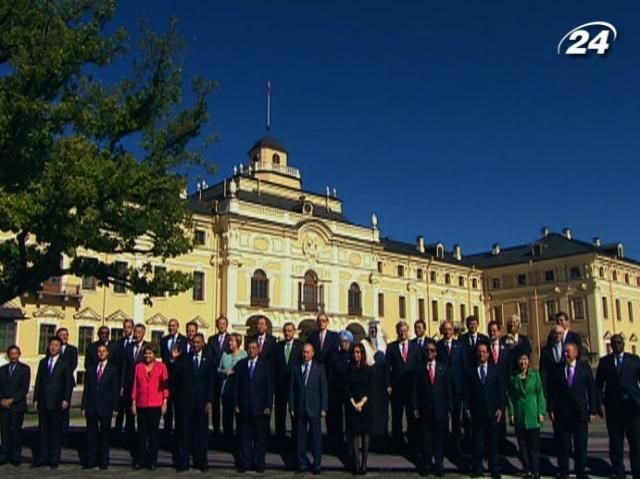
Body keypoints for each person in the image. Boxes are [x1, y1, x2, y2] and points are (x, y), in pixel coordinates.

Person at [546, 342, 597, 479]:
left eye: (568, 351)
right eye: (564, 352)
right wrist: (550, 408)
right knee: (563, 446)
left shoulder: (584, 369)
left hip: (580, 414)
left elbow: (591, 390)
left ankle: (581, 472)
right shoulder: (557, 369)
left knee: (581, 446)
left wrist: (593, 410)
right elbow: (551, 391)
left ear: (575, 353)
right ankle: (564, 472)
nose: (565, 354)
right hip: (562, 414)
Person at [595, 334, 640, 479]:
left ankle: (637, 472)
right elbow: (598, 386)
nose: (616, 345)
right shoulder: (605, 362)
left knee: (636, 443)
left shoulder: (634, 360)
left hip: (632, 408)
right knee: (615, 444)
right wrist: (600, 404)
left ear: (624, 344)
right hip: (614, 409)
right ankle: (619, 472)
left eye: (619, 342)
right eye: (614, 343)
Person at [170, 334, 212, 472]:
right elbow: (175, 375)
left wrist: (210, 401)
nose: (195, 344)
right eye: (193, 342)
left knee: (202, 435)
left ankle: (201, 462)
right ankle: (183, 462)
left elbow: (211, 384)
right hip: (186, 403)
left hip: (202, 403)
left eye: (198, 342)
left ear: (203, 344)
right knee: (185, 434)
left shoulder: (208, 360)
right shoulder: (184, 358)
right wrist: (174, 359)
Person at [464, 342, 505, 478]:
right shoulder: (471, 371)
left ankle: (494, 467)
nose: (481, 354)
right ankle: (478, 467)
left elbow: (501, 391)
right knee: (478, 442)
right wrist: (468, 408)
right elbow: (467, 393)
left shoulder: (495, 370)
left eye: (484, 351)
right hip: (477, 412)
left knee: (493, 442)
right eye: (479, 352)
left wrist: (500, 408)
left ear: (488, 354)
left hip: (492, 411)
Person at [33, 336, 73, 469]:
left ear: (60, 348)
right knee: (43, 431)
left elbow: (68, 383)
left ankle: (54, 458)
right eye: (51, 345)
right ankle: (42, 457)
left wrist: (66, 399)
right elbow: (39, 382)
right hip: (43, 401)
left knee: (55, 432)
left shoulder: (64, 364)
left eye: (56, 345)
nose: (53, 347)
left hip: (57, 402)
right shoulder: (43, 362)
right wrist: (36, 399)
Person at [413, 340, 451, 477]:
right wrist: (415, 407)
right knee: (426, 439)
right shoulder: (419, 369)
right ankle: (427, 464)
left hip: (440, 409)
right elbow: (415, 390)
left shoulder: (443, 368)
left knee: (439, 440)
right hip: (425, 409)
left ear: (436, 352)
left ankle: (439, 465)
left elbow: (448, 390)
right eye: (427, 350)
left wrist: (449, 408)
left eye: (432, 350)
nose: (429, 353)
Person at [234, 339, 273, 473]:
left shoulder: (265, 365)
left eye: (254, 348)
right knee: (244, 437)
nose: (251, 350)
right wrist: (236, 403)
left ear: (258, 350)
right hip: (244, 406)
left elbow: (269, 387)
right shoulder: (241, 365)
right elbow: (236, 386)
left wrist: (269, 405)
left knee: (259, 438)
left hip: (260, 407)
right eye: (249, 348)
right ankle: (245, 463)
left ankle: (259, 463)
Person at [290, 342, 328, 474]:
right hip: (300, 407)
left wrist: (324, 407)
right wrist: (292, 406)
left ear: (313, 353)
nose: (305, 355)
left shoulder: (319, 368)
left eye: (307, 352)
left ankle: (316, 463)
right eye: (303, 352)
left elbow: (324, 389)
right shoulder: (296, 368)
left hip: (315, 408)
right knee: (300, 438)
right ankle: (301, 463)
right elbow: (292, 390)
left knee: (316, 438)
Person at [81, 343, 120, 470]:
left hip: (106, 407)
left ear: (107, 353)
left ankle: (104, 461)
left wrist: (115, 407)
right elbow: (86, 389)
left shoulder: (113, 369)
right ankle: (91, 460)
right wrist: (83, 406)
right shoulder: (91, 369)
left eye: (103, 351)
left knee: (105, 436)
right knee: (91, 435)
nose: (101, 353)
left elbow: (115, 390)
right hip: (92, 406)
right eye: (99, 351)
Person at [507, 353, 546, 479]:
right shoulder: (513, 378)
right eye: (520, 359)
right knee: (522, 446)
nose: (523, 362)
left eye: (525, 359)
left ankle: (536, 471)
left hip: (533, 413)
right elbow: (511, 397)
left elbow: (540, 394)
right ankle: (527, 470)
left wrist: (541, 412)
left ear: (528, 361)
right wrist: (511, 413)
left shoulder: (535, 375)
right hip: (520, 414)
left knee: (534, 446)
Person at [131, 344, 169, 470]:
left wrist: (165, 402)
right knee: (141, 433)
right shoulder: (138, 367)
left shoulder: (161, 367)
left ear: (155, 354)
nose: (148, 356)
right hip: (141, 404)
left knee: (153, 434)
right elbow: (135, 386)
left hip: (155, 404)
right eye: (146, 353)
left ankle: (152, 460)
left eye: (150, 353)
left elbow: (165, 387)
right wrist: (133, 403)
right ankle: (139, 460)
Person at [385, 320, 420, 451]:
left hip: (411, 388)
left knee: (412, 417)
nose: (403, 333)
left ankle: (412, 444)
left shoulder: (415, 347)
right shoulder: (391, 347)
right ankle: (397, 443)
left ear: (408, 331)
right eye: (400, 330)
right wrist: (388, 384)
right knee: (397, 417)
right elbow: (387, 367)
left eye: (405, 330)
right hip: (397, 387)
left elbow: (419, 367)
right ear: (397, 332)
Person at [436, 320, 466, 459]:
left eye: (449, 329)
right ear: (442, 331)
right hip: (442, 388)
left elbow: (464, 366)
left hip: (457, 388)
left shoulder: (459, 346)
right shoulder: (438, 346)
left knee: (456, 419)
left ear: (453, 331)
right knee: (442, 419)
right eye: (445, 329)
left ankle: (457, 446)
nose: (447, 332)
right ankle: (444, 446)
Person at [122, 323, 150, 458]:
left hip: (142, 386)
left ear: (143, 333)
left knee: (142, 417)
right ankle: (131, 440)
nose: (137, 334)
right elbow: (124, 367)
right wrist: (122, 385)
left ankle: (142, 442)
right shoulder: (129, 347)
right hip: (128, 385)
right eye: (135, 332)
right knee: (129, 415)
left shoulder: (147, 347)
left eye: (139, 332)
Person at [0, 345, 30, 467]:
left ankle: (16, 456)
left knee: (17, 432)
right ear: (8, 355)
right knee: (5, 433)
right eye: (11, 353)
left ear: (19, 354)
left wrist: (12, 400)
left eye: (15, 353)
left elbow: (24, 389)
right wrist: (2, 400)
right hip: (3, 406)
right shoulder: (2, 369)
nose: (13, 356)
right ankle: (4, 455)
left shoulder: (24, 369)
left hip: (17, 406)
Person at [273, 322, 302, 444]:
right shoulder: (278, 346)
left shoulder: (300, 346)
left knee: (295, 414)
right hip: (280, 386)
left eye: (290, 331)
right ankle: (280, 439)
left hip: (294, 386)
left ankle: (295, 440)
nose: (287, 333)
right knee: (280, 415)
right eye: (285, 331)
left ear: (294, 332)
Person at [346, 343, 372, 475]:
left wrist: (361, 403)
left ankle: (364, 463)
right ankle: (356, 463)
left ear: (362, 354)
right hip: (353, 405)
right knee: (354, 435)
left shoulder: (367, 369)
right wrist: (353, 403)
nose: (356, 355)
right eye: (354, 352)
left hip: (365, 405)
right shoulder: (349, 369)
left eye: (358, 352)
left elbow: (369, 388)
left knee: (365, 435)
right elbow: (347, 388)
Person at [218, 333, 247, 448]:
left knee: (240, 418)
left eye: (232, 341)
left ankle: (240, 442)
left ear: (238, 343)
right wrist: (224, 372)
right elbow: (218, 369)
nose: (230, 343)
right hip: (227, 390)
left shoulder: (244, 355)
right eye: (229, 341)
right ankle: (227, 442)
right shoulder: (225, 355)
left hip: (240, 390)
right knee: (227, 418)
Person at [361, 320, 388, 440]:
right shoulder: (364, 342)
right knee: (371, 409)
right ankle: (371, 435)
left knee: (382, 410)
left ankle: (382, 434)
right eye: (371, 329)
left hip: (382, 381)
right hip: (370, 379)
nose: (373, 331)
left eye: (375, 329)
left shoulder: (383, 343)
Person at [160, 318, 187, 435]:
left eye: (173, 326)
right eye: (170, 326)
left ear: (177, 327)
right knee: (167, 409)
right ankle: (167, 433)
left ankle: (178, 433)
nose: (171, 328)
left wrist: (175, 360)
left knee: (179, 408)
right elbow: (163, 357)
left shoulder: (184, 340)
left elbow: (184, 358)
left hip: (179, 379)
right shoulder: (164, 340)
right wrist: (170, 360)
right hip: (167, 378)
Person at [329, 329, 354, 450]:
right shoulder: (334, 354)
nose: (343, 344)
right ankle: (337, 442)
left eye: (346, 341)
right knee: (336, 418)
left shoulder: (353, 355)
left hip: (350, 391)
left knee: (350, 418)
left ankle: (350, 442)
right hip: (336, 390)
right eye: (342, 341)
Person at [487, 320, 510, 451]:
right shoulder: (484, 348)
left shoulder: (505, 349)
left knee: (502, 416)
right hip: (489, 388)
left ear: (499, 332)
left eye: (494, 330)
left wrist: (507, 388)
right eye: (490, 330)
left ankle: (502, 443)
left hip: (502, 388)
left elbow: (509, 369)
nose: (492, 333)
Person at [207, 315, 232, 434]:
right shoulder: (211, 339)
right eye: (219, 323)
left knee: (227, 405)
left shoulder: (230, 339)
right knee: (215, 404)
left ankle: (227, 431)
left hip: (227, 377)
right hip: (214, 375)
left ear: (226, 325)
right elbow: (209, 355)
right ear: (217, 325)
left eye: (223, 323)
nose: (221, 325)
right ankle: (216, 429)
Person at [56, 327, 78, 443]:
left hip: (67, 382)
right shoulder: (54, 348)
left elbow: (73, 364)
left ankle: (64, 433)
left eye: (66, 334)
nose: (65, 336)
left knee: (65, 407)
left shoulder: (72, 349)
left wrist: (63, 374)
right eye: (62, 334)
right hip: (55, 383)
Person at [114, 318, 135, 433]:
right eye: (125, 327)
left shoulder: (135, 343)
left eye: (128, 327)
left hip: (131, 381)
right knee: (119, 410)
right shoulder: (120, 343)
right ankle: (117, 433)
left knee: (129, 411)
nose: (126, 329)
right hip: (120, 379)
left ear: (132, 328)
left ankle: (129, 434)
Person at [540, 325, 565, 393]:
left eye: (560, 333)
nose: (557, 335)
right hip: (551, 386)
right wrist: (544, 388)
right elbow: (543, 370)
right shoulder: (545, 351)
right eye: (555, 333)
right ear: (551, 334)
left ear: (563, 335)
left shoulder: (567, 348)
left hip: (565, 386)